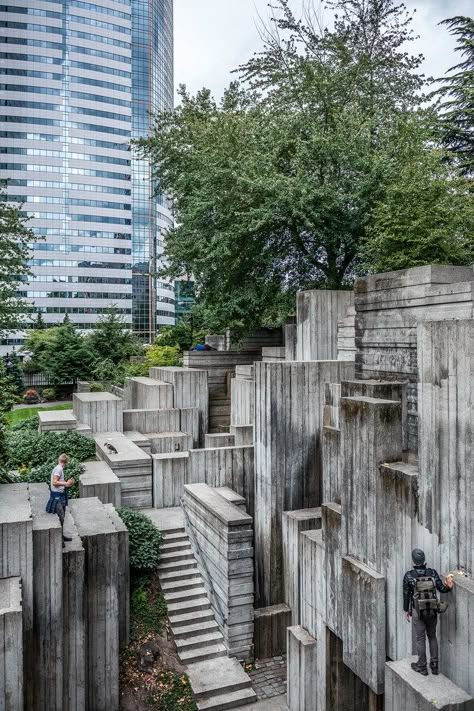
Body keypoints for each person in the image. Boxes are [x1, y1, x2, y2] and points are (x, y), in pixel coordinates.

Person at [403, 548, 453, 676]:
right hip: (432, 610)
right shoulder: (432, 573)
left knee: (420, 638)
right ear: (424, 560)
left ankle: (422, 667)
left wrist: (406, 610)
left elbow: (406, 595)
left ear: (413, 560)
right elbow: (442, 589)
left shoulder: (409, 575)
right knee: (432, 635)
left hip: (417, 611)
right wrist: (448, 585)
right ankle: (435, 666)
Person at [45, 453, 75, 543]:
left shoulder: (58, 468)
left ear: (59, 460)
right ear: (66, 462)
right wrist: (66, 483)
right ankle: (59, 539)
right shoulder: (59, 469)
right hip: (57, 496)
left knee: (63, 516)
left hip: (60, 495)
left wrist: (66, 483)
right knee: (61, 517)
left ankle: (61, 537)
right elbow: (55, 482)